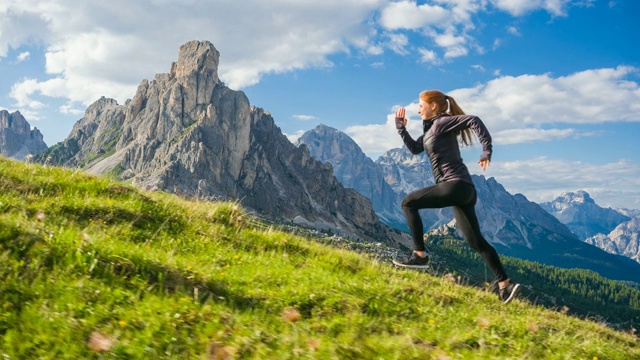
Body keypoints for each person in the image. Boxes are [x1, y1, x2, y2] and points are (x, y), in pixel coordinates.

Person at [392, 89, 520, 304]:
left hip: (455, 185)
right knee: (476, 242)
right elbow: (416, 148)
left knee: (409, 203)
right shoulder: (433, 128)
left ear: (434, 106)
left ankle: (419, 256)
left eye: (421, 106)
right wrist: (401, 129)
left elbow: (473, 120)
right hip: (464, 191)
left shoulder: (442, 122)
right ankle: (505, 285)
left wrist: (486, 151)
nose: (417, 110)